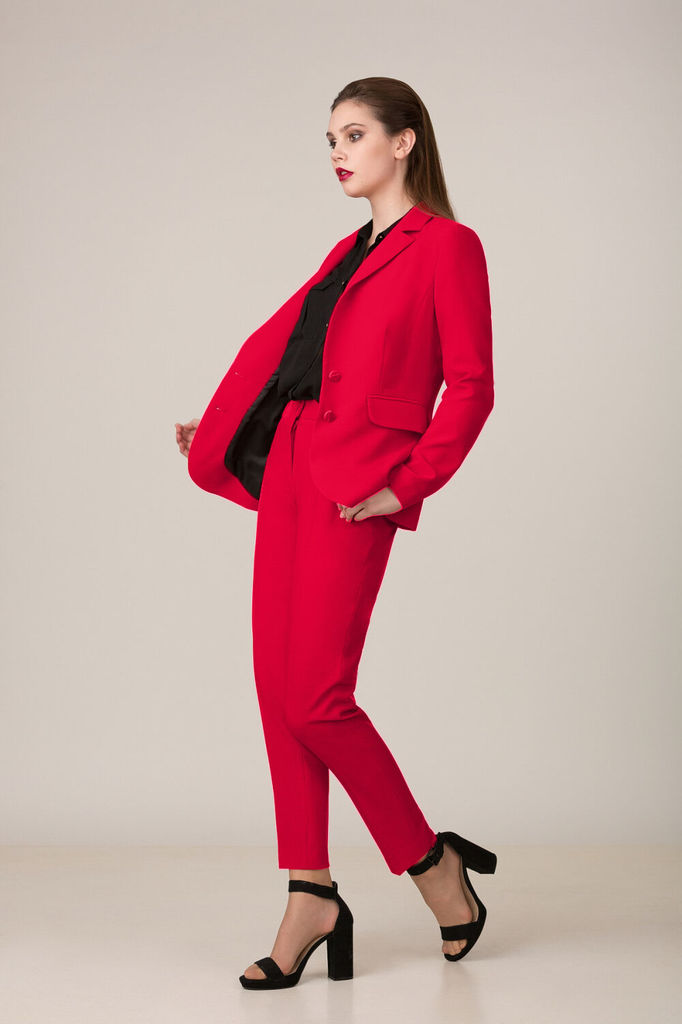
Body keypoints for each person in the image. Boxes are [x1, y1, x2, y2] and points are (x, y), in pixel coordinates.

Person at [175, 76, 497, 991]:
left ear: (405, 140)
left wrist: (408, 483)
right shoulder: (347, 251)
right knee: (280, 692)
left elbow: (472, 384)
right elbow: (290, 358)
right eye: (329, 139)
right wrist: (231, 428)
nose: (337, 153)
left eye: (354, 134)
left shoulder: (448, 246)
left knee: (318, 697)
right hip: (292, 463)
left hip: (356, 486)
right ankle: (309, 892)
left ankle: (432, 864)